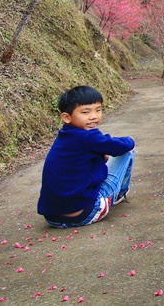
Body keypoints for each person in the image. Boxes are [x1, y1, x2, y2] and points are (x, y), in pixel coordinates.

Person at [37, 85, 134, 228]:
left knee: (102, 153)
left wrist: (103, 153)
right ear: (66, 117)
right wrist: (130, 140)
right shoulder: (88, 136)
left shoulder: (65, 136)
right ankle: (119, 194)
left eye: (98, 110)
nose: (94, 116)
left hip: (52, 218)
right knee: (126, 154)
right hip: (86, 213)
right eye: (85, 112)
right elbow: (122, 145)